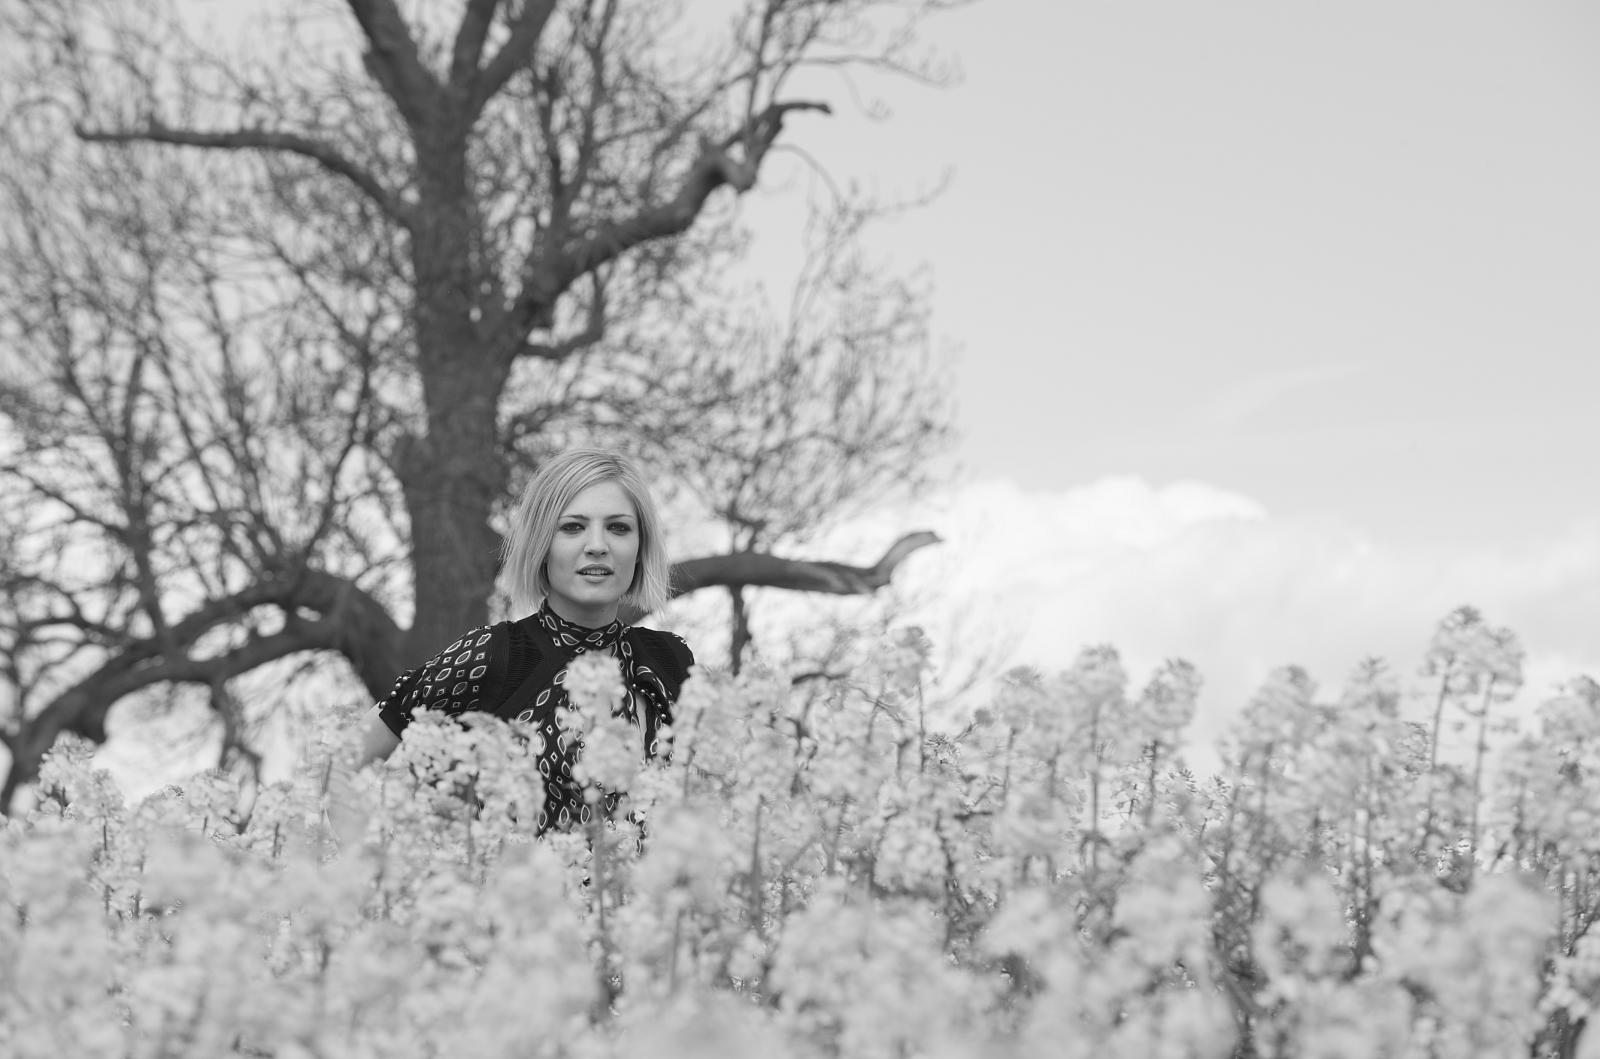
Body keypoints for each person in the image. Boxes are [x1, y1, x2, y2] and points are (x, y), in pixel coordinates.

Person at [341, 448, 694, 835]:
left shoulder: (670, 661)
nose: (598, 545)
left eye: (619, 528)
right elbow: (339, 768)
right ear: (542, 543)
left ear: (641, 548)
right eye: (572, 527)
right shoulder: (492, 655)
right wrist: (376, 881)